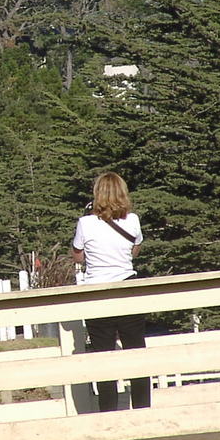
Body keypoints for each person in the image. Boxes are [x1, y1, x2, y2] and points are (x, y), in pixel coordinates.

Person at [71, 171, 150, 411]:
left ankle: (108, 413)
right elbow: (135, 249)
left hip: (98, 293)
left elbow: (78, 256)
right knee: (136, 354)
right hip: (127, 288)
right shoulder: (133, 220)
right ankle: (143, 410)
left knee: (104, 359)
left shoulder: (85, 223)